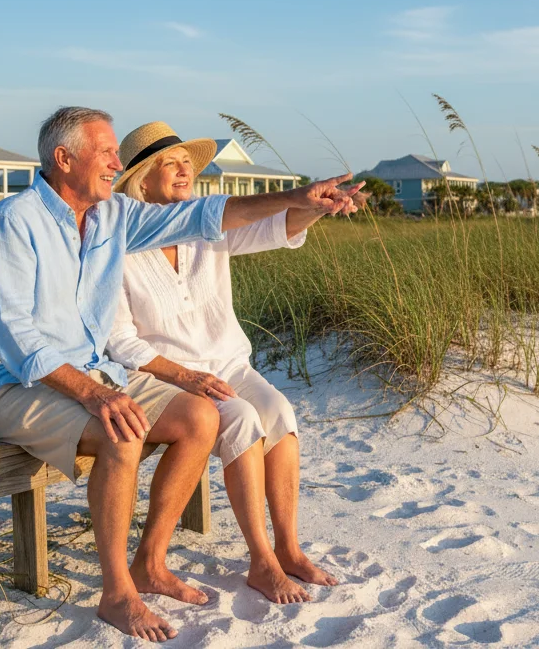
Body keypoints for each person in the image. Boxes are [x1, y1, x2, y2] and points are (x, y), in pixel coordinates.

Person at [0, 107, 360, 642]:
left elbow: (204, 215)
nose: (114, 163)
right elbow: (15, 338)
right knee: (123, 432)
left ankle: (152, 563)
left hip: (89, 376)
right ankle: (117, 593)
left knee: (201, 418)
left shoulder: (112, 217)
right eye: (105, 154)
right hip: (10, 387)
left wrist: (297, 199)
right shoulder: (13, 223)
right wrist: (97, 395)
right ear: (63, 158)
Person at [107, 122, 362, 605]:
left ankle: (287, 548)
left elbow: (276, 228)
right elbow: (120, 340)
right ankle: (261, 562)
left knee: (280, 413)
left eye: (188, 162)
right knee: (243, 420)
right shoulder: (119, 245)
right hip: (169, 379)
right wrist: (183, 376)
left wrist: (315, 208)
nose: (185, 170)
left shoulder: (207, 230)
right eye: (171, 163)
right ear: (142, 179)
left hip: (229, 364)